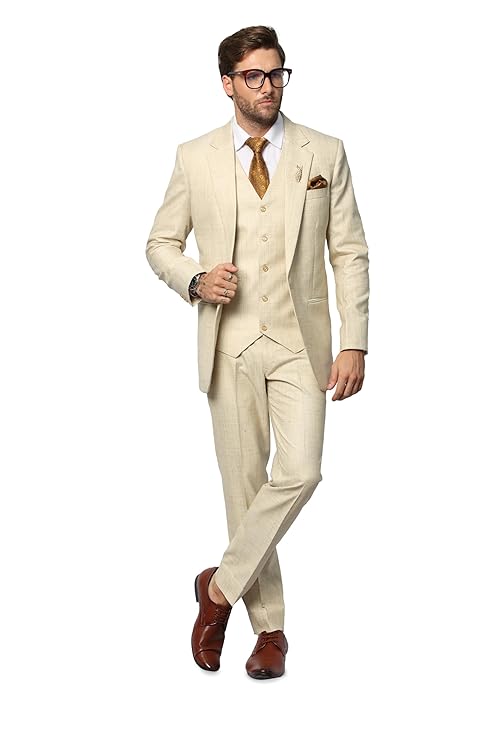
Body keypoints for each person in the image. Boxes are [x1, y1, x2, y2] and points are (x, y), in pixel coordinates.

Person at [145, 25, 370, 679]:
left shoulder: (325, 151)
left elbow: (349, 251)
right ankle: (270, 628)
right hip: (231, 342)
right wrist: (194, 279)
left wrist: (354, 339)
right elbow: (159, 243)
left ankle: (217, 589)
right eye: (254, 76)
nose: (268, 87)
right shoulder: (194, 157)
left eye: (276, 74)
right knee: (244, 489)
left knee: (301, 472)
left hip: (302, 342)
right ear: (228, 84)